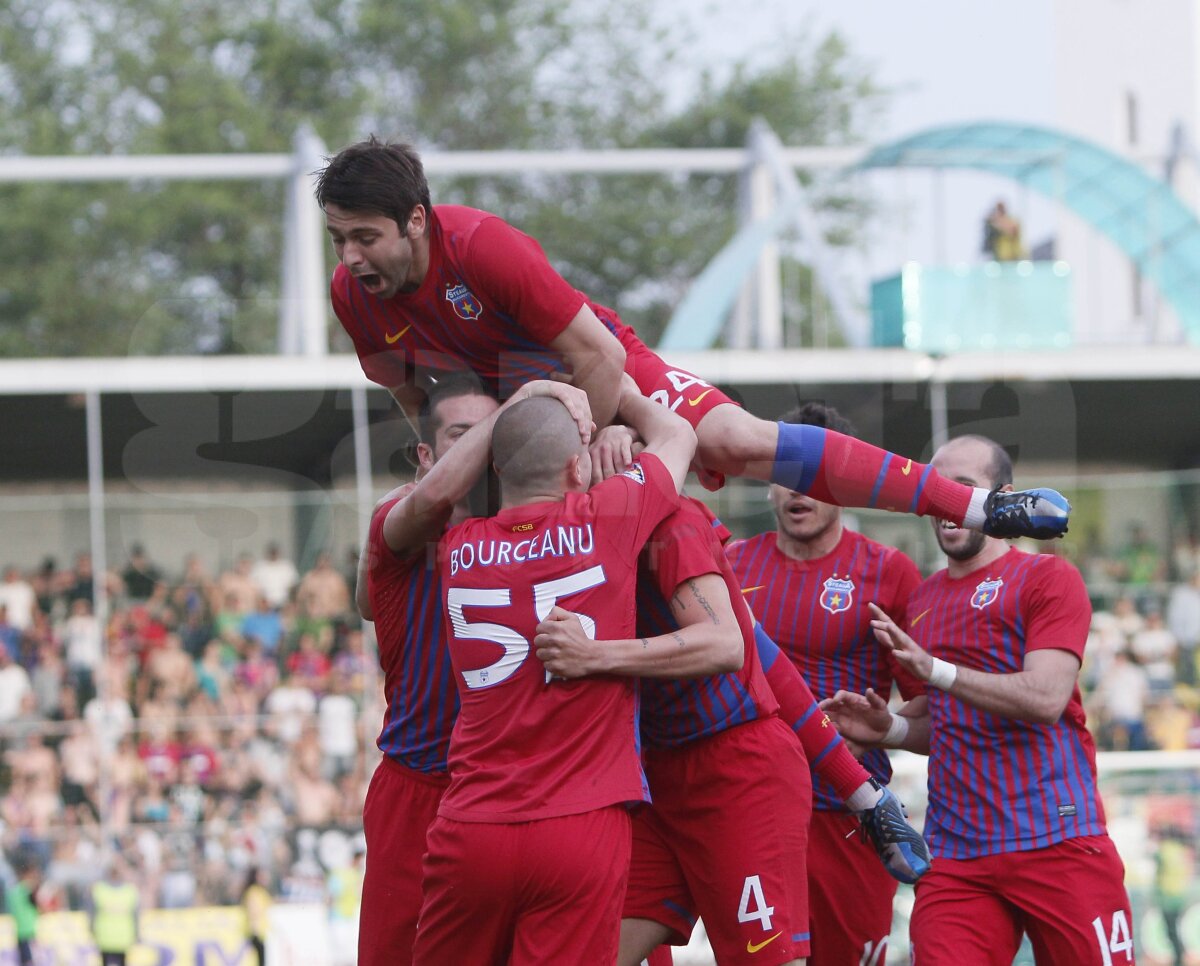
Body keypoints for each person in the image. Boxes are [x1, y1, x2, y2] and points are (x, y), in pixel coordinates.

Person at [315, 137, 1069, 542]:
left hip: (595, 374)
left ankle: (970, 507)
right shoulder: (353, 296)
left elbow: (598, 357)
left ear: (417, 220)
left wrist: (600, 438)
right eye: (338, 239)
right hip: (521, 414)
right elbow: (426, 403)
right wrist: (457, 491)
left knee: (736, 441)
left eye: (364, 238)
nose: (349, 258)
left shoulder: (483, 246)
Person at [823, 435, 1136, 966]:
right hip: (957, 857)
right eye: (938, 492)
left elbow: (1044, 697)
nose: (947, 505)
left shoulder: (1048, 578)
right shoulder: (921, 600)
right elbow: (941, 720)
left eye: (963, 489)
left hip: (1057, 839)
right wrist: (890, 730)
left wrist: (937, 672)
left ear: (1003, 498)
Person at [411, 385, 697, 965]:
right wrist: (618, 394)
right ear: (577, 465)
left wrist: (520, 408)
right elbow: (679, 434)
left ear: (491, 465)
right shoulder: (610, 516)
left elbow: (437, 490)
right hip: (580, 825)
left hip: (473, 824)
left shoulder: (453, 546)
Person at [357, 373, 594, 966]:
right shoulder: (401, 526)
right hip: (422, 789)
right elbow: (432, 499)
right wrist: (516, 407)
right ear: (426, 455)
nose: (488, 449)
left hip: (536, 797)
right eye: (465, 436)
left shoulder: (555, 526)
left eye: (499, 437)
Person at [725, 402, 924, 966]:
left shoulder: (890, 573)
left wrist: (886, 731)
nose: (799, 490)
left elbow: (933, 718)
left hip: (848, 819)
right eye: (786, 475)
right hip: (752, 814)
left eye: (818, 477)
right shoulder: (731, 566)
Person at [90, 858, 140, 966]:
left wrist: (92, 929)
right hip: (123, 937)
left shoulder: (99, 889)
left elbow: (92, 913)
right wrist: (136, 933)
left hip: (104, 937)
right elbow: (135, 916)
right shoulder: (130, 891)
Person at [5, 855, 40, 966]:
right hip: (29, 931)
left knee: (23, 960)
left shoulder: (13, 891)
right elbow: (38, 904)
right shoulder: (28, 889)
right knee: (31, 961)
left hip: (19, 931)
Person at [242, 867, 272, 965]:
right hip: (256, 932)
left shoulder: (261, 891)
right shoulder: (253, 892)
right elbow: (253, 912)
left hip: (262, 933)